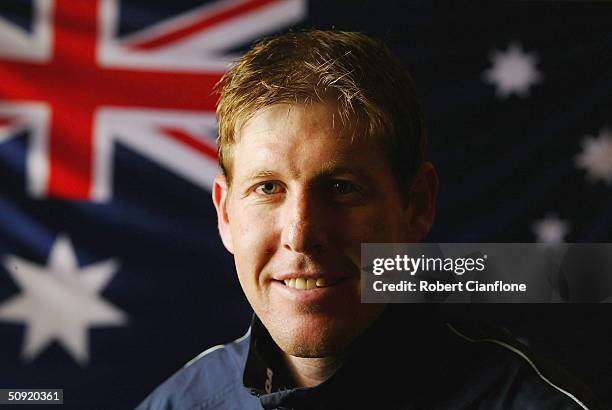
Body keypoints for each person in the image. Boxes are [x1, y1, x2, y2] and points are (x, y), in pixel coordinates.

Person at [137, 30, 600, 410]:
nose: (301, 235)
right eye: (268, 188)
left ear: (416, 205)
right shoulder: (179, 403)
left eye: (341, 188)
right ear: (225, 213)